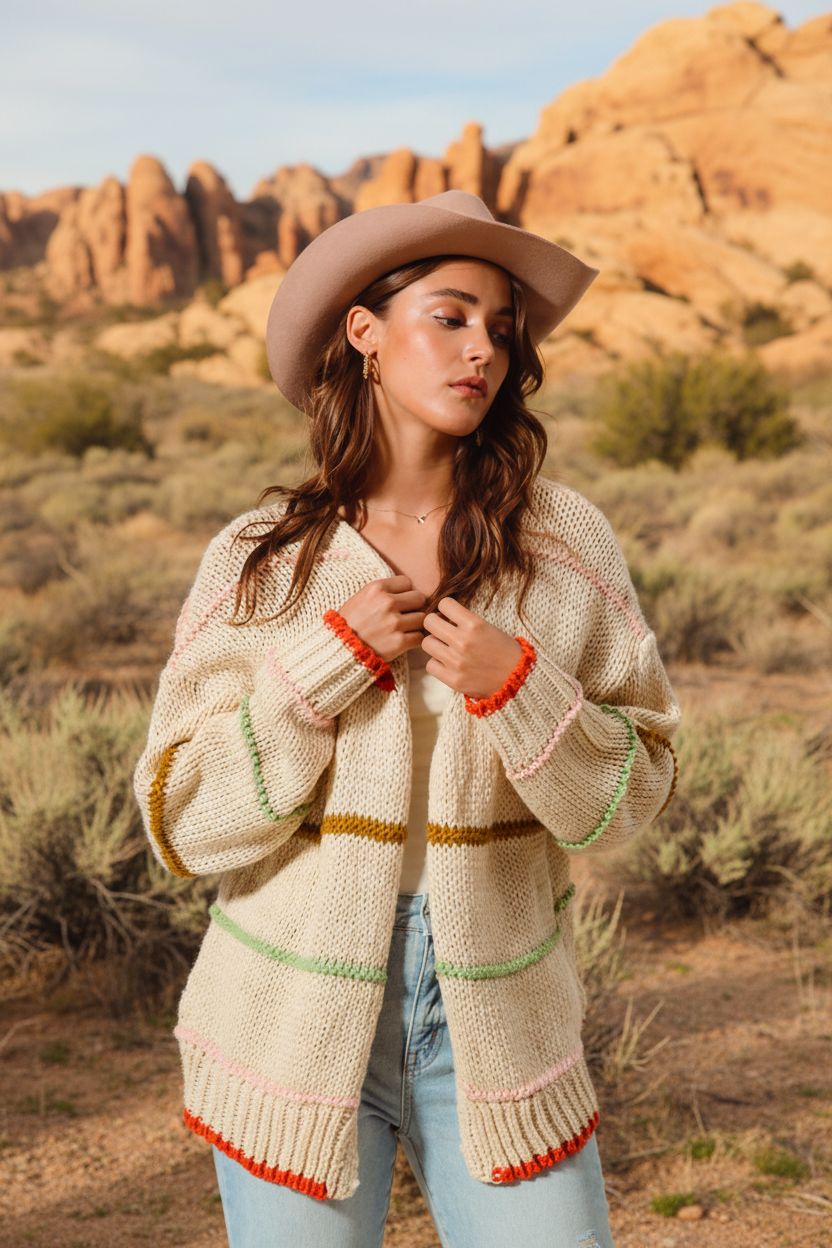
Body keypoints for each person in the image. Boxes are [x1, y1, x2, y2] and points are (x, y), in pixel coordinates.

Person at [134, 190, 680, 1248]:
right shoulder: (262, 558)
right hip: (287, 1018)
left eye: (501, 326)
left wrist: (520, 690)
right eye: (450, 315)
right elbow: (179, 820)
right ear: (365, 334)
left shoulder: (563, 541)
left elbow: (637, 793)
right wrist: (315, 676)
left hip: (501, 1020)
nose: (482, 348)